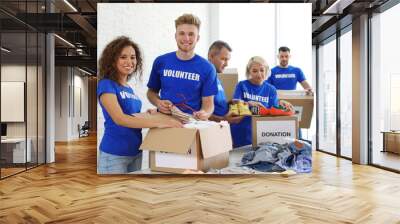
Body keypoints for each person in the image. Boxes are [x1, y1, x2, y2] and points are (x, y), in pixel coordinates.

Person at [97, 36, 182, 174]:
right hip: (114, 155)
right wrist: (157, 123)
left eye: (133, 57)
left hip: (135, 153)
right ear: (112, 60)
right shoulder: (106, 84)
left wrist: (149, 114)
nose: (129, 62)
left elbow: (132, 116)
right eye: (123, 57)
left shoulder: (128, 88)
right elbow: (120, 119)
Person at [147, 14, 218, 121]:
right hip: (163, 121)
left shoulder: (208, 68)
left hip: (191, 124)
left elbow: (208, 105)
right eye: (182, 33)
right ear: (175, 36)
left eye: (191, 34)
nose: (186, 38)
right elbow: (151, 92)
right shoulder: (160, 61)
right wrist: (158, 102)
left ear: (197, 38)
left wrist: (205, 113)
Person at [230, 56, 290, 148]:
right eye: (255, 71)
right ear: (249, 71)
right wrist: (249, 103)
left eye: (262, 70)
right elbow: (235, 109)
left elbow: (272, 114)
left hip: (262, 136)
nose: (259, 74)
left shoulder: (271, 89)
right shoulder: (242, 85)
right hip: (241, 134)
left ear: (266, 71)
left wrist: (281, 105)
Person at [207, 40, 242, 124]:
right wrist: (224, 120)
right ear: (211, 56)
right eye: (223, 59)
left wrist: (230, 103)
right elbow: (198, 111)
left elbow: (216, 103)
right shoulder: (204, 78)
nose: (227, 64)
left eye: (228, 60)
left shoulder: (216, 77)